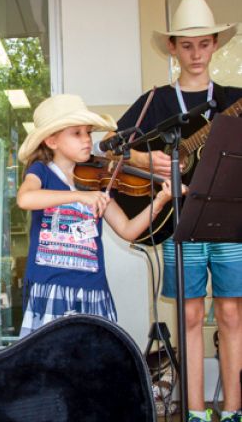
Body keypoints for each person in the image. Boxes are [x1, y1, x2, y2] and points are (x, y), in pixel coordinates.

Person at [114, 0, 242, 422]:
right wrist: (163, 164)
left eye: (204, 44)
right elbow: (117, 149)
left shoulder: (233, 101)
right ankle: (192, 420)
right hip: (178, 223)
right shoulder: (155, 102)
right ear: (172, 48)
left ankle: (233, 416)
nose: (195, 53)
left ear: (214, 47)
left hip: (230, 221)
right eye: (186, 45)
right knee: (188, 316)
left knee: (230, 315)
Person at [16, 94, 176, 337]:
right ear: (51, 141)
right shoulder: (42, 172)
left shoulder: (97, 181)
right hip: (50, 288)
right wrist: (78, 197)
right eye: (77, 133)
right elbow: (25, 198)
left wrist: (160, 201)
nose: (87, 140)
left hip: (92, 290)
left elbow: (128, 229)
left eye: (88, 133)